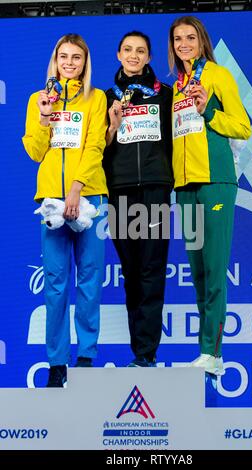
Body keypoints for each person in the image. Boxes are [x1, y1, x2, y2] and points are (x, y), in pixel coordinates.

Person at [22, 34, 108, 387]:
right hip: (51, 204)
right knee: (56, 286)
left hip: (89, 198)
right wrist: (44, 119)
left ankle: (86, 359)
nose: (70, 63)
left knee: (89, 282)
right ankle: (57, 365)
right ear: (54, 61)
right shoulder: (38, 99)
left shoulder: (96, 98)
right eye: (63, 57)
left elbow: (95, 145)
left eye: (77, 57)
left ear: (85, 63)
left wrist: (76, 189)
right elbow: (34, 151)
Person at [168, 16, 251, 375]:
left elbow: (243, 126)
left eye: (190, 37)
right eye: (177, 39)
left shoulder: (217, 75)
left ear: (201, 42)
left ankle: (212, 352)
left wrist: (210, 110)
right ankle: (208, 352)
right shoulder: (176, 86)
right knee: (198, 271)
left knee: (215, 269)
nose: (183, 44)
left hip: (216, 182)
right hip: (185, 186)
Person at [104, 31, 173, 367]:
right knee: (131, 270)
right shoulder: (105, 99)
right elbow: (96, 149)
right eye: (128, 50)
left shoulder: (167, 96)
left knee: (151, 267)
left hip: (156, 188)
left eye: (141, 51)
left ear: (149, 57)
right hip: (119, 190)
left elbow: (179, 142)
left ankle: (146, 354)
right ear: (118, 54)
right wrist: (112, 126)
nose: (133, 55)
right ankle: (139, 350)